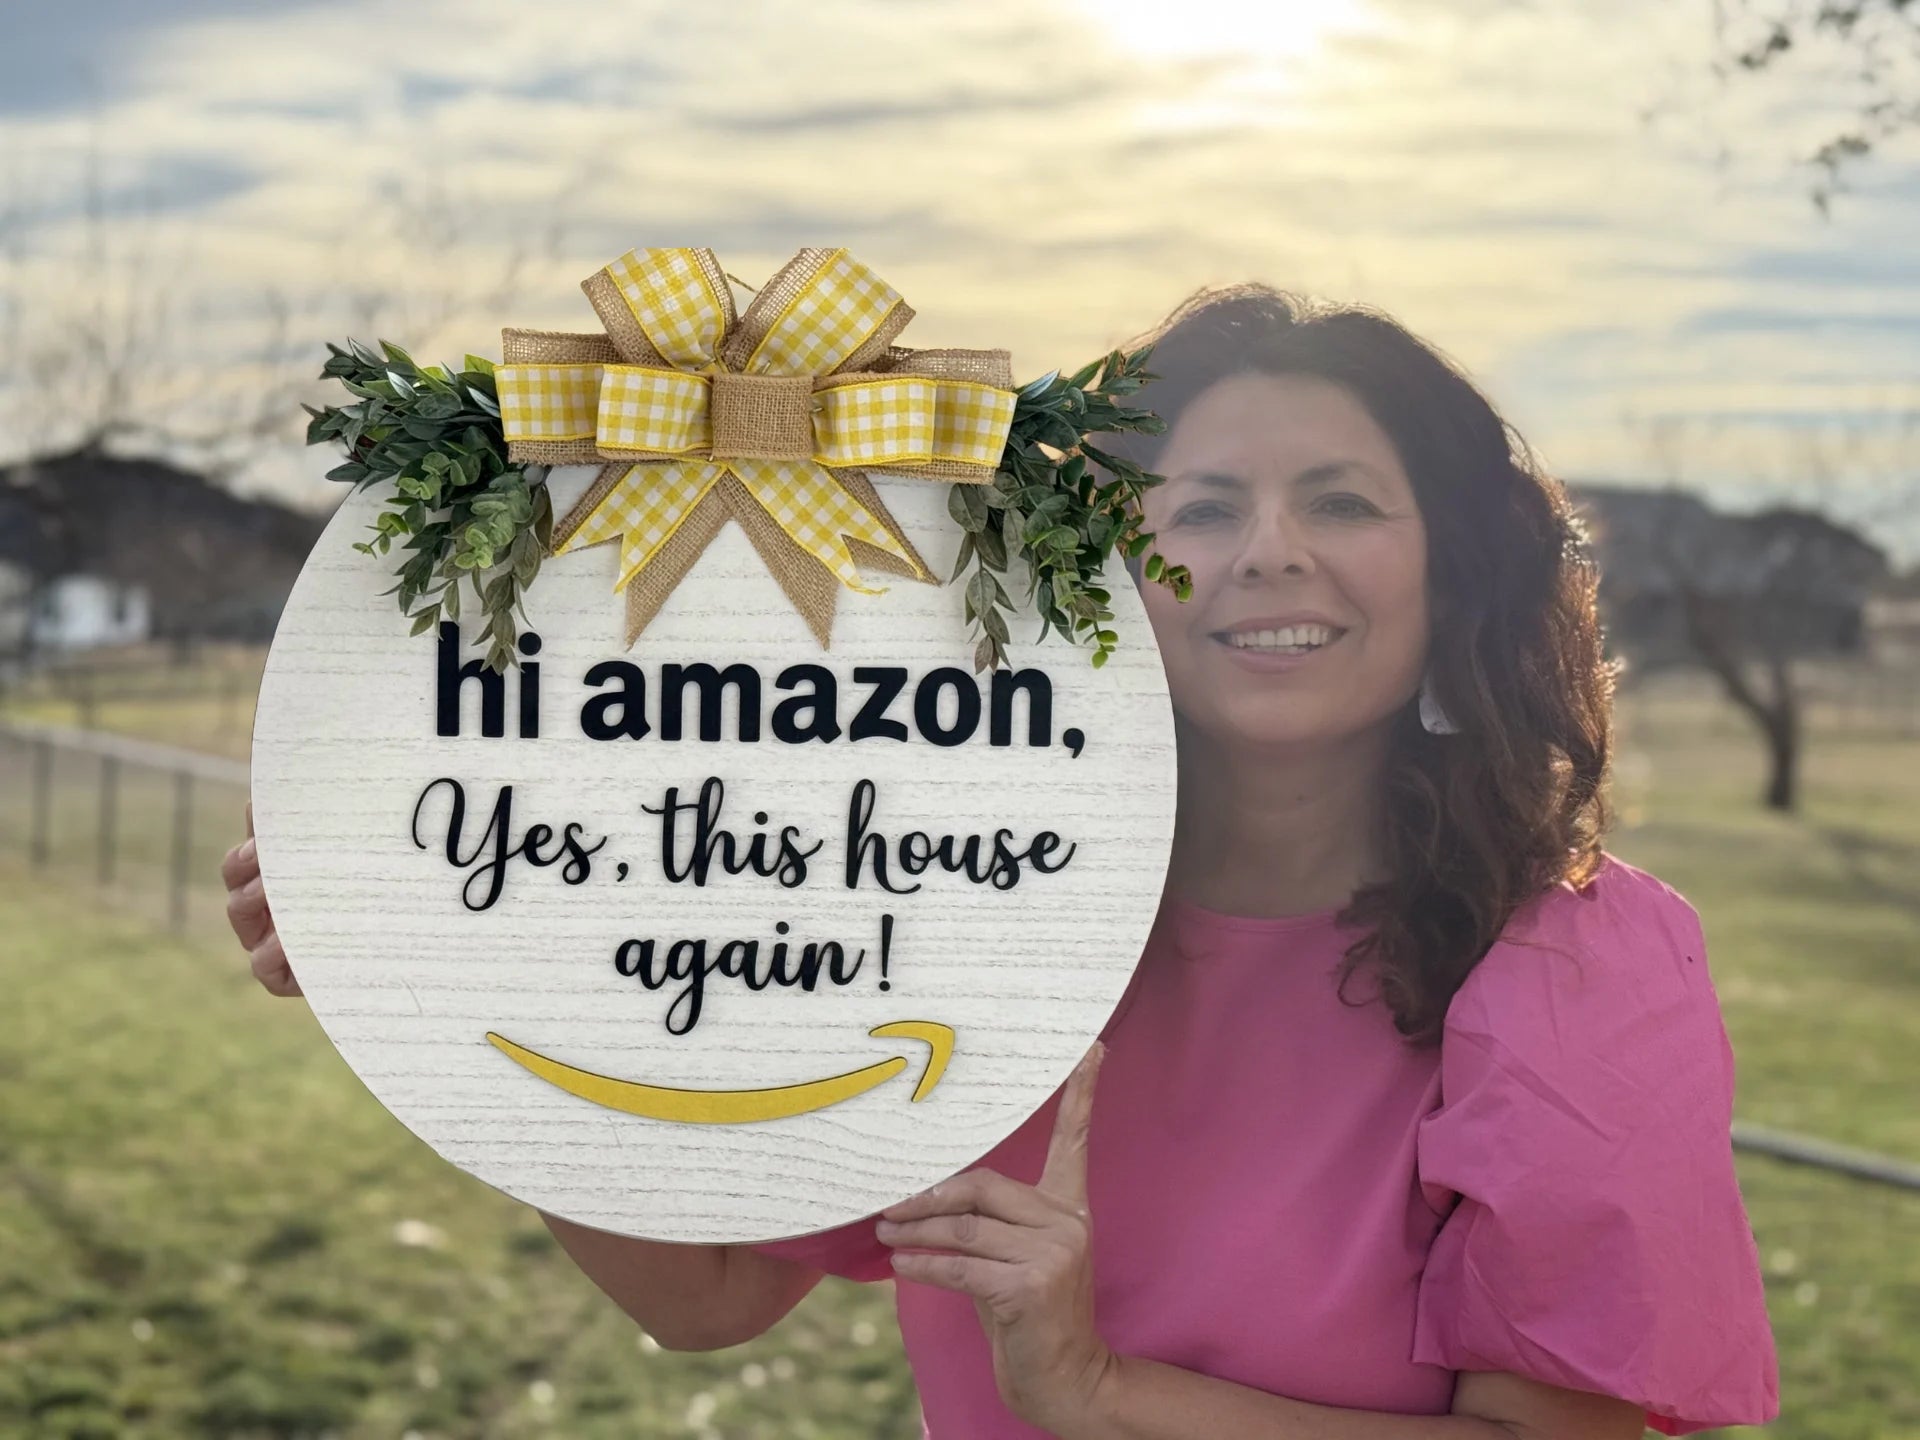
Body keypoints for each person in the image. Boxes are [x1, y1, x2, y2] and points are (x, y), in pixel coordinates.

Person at [223, 283, 1781, 1439]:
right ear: (1107, 582)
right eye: (1207, 507)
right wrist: (446, 1009)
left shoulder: (1576, 963)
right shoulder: (978, 914)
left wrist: (1100, 1392)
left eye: (1345, 503)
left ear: (1456, 576)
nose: (1269, 554)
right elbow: (703, 1294)